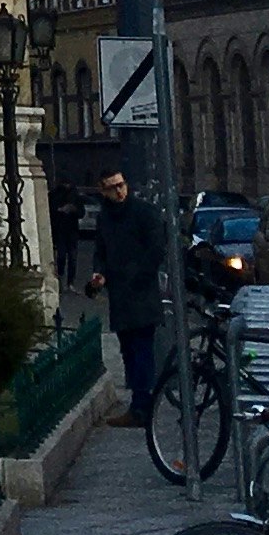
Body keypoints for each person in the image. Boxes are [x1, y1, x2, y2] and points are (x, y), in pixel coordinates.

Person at [84, 164, 171, 417]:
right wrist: (99, 274)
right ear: (103, 191)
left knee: (142, 348)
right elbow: (101, 251)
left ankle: (142, 405)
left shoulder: (144, 212)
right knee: (128, 349)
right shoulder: (105, 218)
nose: (119, 192)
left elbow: (156, 250)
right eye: (112, 188)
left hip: (142, 293)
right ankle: (138, 402)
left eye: (121, 185)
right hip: (120, 295)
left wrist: (137, 275)